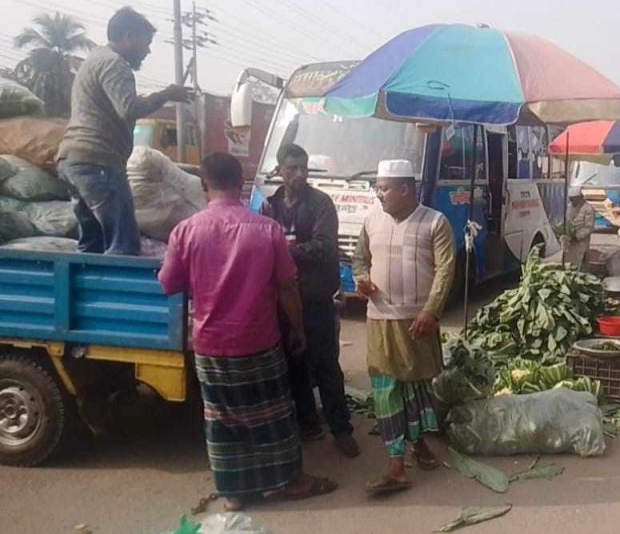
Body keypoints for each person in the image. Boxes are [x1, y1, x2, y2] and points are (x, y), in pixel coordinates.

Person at [158, 153, 336, 511]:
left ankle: (234, 492)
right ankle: (290, 481)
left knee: (222, 419)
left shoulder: (186, 230)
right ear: (241, 183)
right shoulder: (266, 229)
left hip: (210, 344)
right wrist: (297, 329)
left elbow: (169, 284)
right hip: (260, 341)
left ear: (204, 185)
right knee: (273, 414)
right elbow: (287, 286)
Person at [352, 159, 455, 495]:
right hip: (379, 320)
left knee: (415, 387)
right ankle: (396, 464)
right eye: (378, 188)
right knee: (386, 389)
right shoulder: (370, 220)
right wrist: (362, 280)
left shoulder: (435, 222)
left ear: (405, 189)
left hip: (417, 322)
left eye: (384, 188)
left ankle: (418, 443)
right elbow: (358, 259)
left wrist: (431, 310)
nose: (379, 194)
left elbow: (445, 270)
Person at [57, 6, 190, 255]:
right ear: (128, 36)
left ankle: (85, 294)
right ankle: (116, 295)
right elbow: (129, 107)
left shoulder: (94, 60)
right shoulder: (115, 64)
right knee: (124, 244)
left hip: (74, 161)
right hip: (98, 163)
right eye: (146, 42)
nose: (148, 51)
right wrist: (166, 95)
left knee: (92, 245)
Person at [261, 143, 359, 457]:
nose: (300, 174)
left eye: (304, 168)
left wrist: (285, 250)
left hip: (316, 300)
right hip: (283, 302)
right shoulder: (269, 206)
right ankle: (307, 423)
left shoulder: (321, 204)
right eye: (292, 168)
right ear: (279, 171)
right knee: (294, 366)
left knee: (327, 365)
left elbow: (326, 246)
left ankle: (342, 430)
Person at [560, 185, 595, 269]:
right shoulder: (569, 207)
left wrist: (577, 236)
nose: (572, 201)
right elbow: (567, 221)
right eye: (571, 199)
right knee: (567, 263)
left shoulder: (588, 209)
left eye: (574, 199)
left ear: (579, 197)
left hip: (581, 243)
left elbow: (589, 227)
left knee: (580, 263)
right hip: (569, 243)